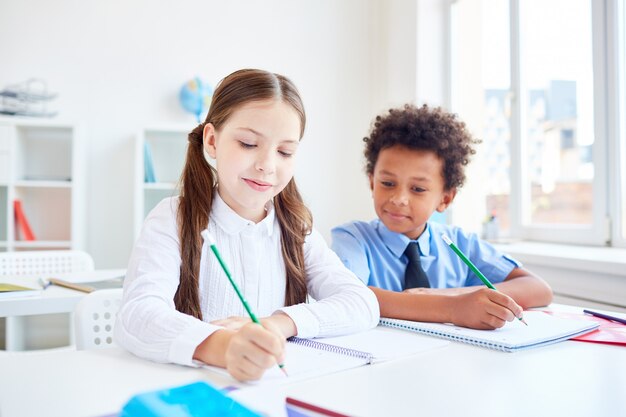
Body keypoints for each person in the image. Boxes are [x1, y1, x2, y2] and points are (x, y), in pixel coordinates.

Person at [115, 69, 379, 381]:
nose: (267, 164)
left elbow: (362, 303)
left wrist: (275, 324)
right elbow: (136, 316)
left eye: (284, 151)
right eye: (248, 143)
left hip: (270, 389)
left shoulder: (296, 229)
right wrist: (224, 347)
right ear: (212, 141)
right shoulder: (172, 217)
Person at [331, 104, 552, 330]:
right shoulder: (352, 238)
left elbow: (538, 288)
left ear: (445, 199)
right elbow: (351, 296)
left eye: (417, 189)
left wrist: (452, 295)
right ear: (371, 182)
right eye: (387, 183)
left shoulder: (459, 243)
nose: (398, 199)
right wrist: (452, 307)